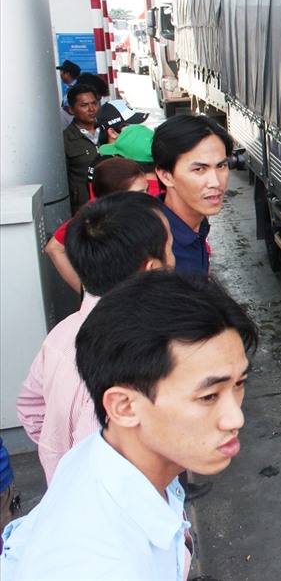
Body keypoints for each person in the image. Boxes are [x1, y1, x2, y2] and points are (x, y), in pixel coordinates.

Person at [1, 270, 258, 579]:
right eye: (208, 396)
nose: (235, 418)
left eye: (239, 383)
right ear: (123, 406)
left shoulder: (104, 453)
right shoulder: (102, 566)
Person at [18, 192, 174, 484]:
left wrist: (59, 453)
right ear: (152, 270)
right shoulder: (131, 364)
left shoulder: (61, 334)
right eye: (171, 249)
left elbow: (29, 407)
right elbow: (106, 474)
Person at [45, 158, 152, 294]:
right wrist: (86, 292)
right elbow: (53, 248)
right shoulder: (91, 217)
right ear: (113, 197)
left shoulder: (144, 212)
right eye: (140, 193)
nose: (148, 198)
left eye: (147, 190)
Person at [153, 114, 235, 274]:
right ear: (166, 175)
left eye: (221, 166)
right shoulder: (159, 254)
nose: (216, 182)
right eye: (199, 169)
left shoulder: (197, 224)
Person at [62, 84, 101, 213]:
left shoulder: (109, 132)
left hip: (111, 203)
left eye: (94, 103)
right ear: (71, 109)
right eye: (84, 105)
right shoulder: (66, 140)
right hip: (84, 209)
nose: (91, 109)